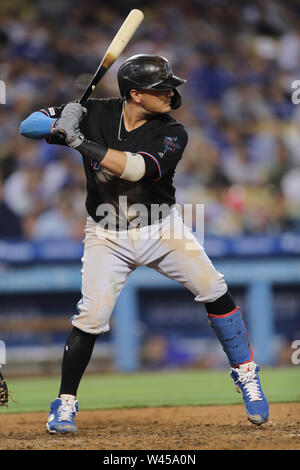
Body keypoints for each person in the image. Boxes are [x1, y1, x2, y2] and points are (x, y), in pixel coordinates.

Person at [20, 54, 269, 433]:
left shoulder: (172, 131)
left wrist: (78, 141)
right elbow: (27, 125)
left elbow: (140, 168)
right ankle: (65, 403)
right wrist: (57, 122)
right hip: (106, 232)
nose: (171, 93)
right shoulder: (95, 111)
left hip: (161, 229)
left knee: (214, 288)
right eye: (162, 88)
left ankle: (247, 375)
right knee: (91, 318)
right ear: (135, 94)